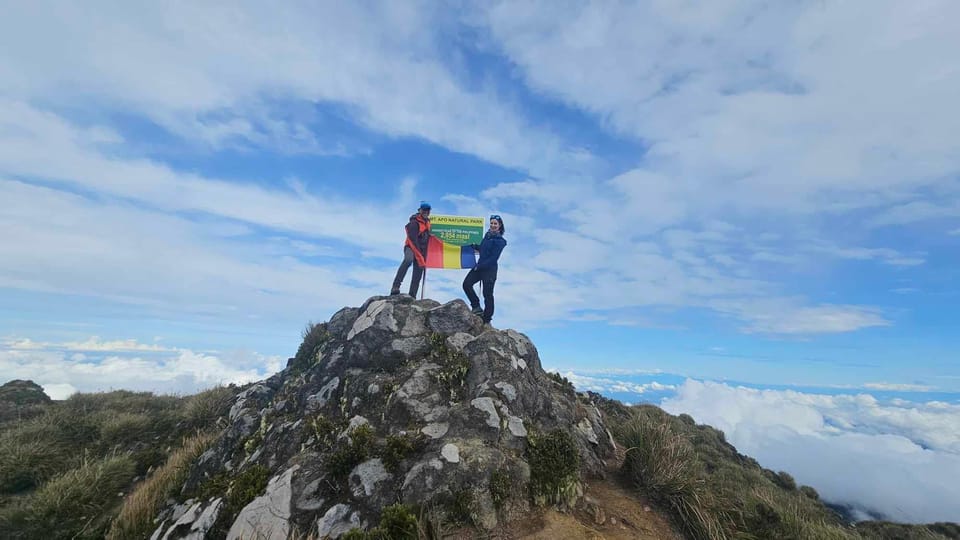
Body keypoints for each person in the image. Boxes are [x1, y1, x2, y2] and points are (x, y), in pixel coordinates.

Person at [463, 215, 507, 325]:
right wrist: (474, 246)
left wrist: (480, 266)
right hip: (479, 267)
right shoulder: (486, 237)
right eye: (491, 223)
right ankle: (476, 306)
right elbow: (483, 249)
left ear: (499, 225)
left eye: (495, 224)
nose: (493, 225)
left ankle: (487, 319)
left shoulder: (500, 241)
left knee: (487, 294)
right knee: (466, 284)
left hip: (489, 270)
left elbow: (493, 258)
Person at [391, 201, 432, 297]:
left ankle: (412, 295)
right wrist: (419, 256)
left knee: (418, 272)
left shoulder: (428, 223)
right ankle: (395, 287)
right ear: (420, 210)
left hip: (421, 250)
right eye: (424, 210)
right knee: (408, 260)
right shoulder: (414, 222)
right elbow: (413, 240)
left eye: (428, 210)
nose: (426, 212)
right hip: (411, 247)